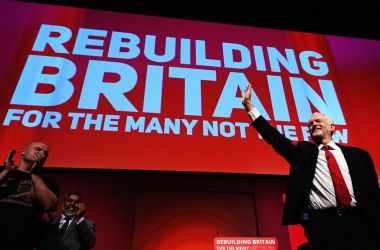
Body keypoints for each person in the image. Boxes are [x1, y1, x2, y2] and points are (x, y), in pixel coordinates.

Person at [241, 84, 380, 250]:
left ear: (332, 127)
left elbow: (373, 193)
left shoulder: (359, 155)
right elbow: (275, 138)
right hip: (323, 225)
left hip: (360, 223)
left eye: (318, 121)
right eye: (310, 124)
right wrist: (249, 107)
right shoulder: (303, 154)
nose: (314, 124)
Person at [0, 141, 59, 250]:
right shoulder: (4, 173)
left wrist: (34, 172)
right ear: (23, 151)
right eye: (38, 149)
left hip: (22, 243)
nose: (42, 154)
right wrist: (6, 171)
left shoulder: (47, 183)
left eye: (45, 153)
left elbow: (49, 205)